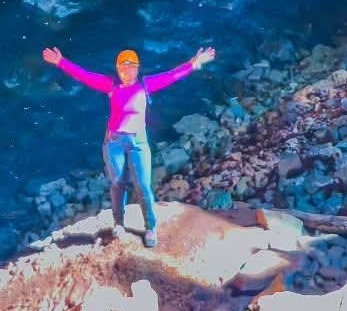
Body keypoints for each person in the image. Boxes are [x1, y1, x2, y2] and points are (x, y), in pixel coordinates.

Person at [42, 43, 216, 247]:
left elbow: (172, 75)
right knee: (117, 183)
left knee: (143, 186)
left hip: (138, 141)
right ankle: (119, 224)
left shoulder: (145, 84)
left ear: (138, 68)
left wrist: (194, 63)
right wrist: (61, 62)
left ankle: (150, 227)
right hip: (114, 142)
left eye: (131, 66)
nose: (127, 69)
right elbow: (84, 76)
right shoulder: (110, 85)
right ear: (118, 69)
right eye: (123, 66)